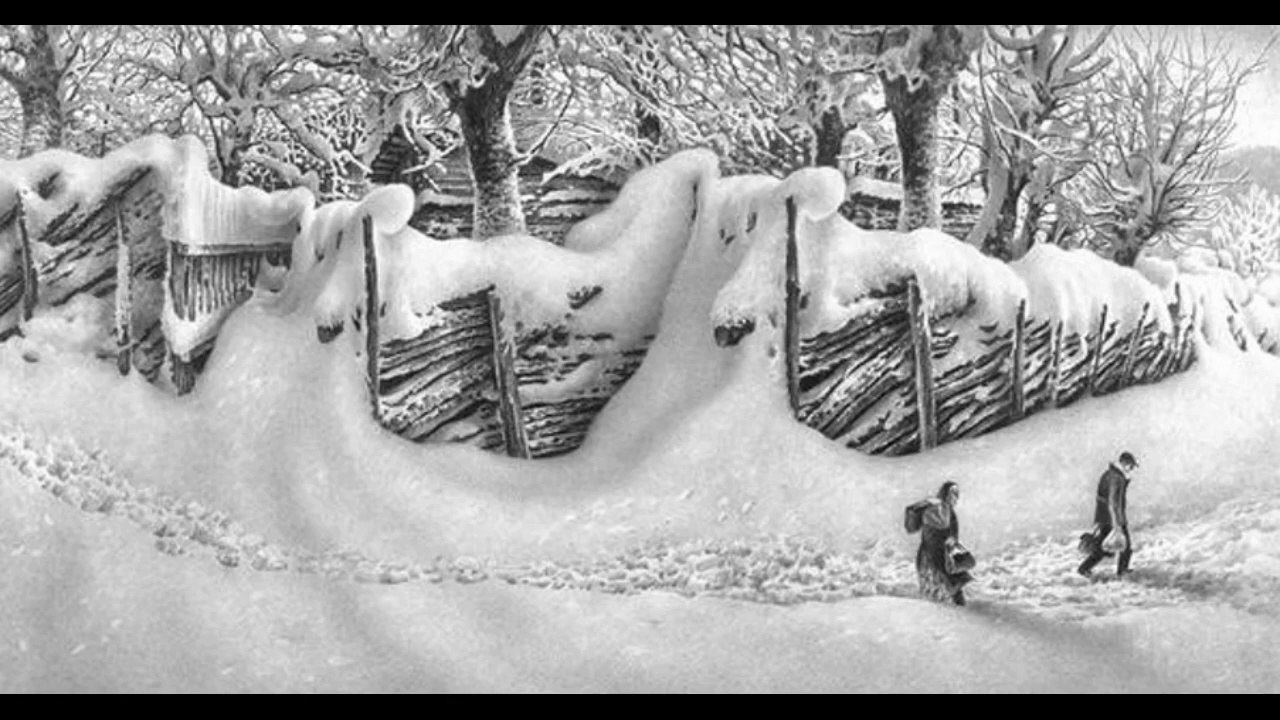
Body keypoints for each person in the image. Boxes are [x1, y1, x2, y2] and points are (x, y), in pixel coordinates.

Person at [1078, 451, 1138, 579]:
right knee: (1125, 546)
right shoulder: (1116, 478)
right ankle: (1122, 572)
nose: (1132, 469)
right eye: (1131, 466)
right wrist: (1118, 523)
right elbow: (1113, 501)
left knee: (1102, 549)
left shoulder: (1111, 474)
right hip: (1112, 517)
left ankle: (1084, 569)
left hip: (1104, 516)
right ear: (1124, 463)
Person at [914, 481, 974, 606]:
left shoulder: (947, 511)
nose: (955, 497)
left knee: (951, 584)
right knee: (939, 586)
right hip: (932, 554)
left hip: (943, 553)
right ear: (945, 493)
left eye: (956, 494)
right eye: (953, 493)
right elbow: (930, 533)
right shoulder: (935, 508)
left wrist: (952, 539)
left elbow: (952, 531)